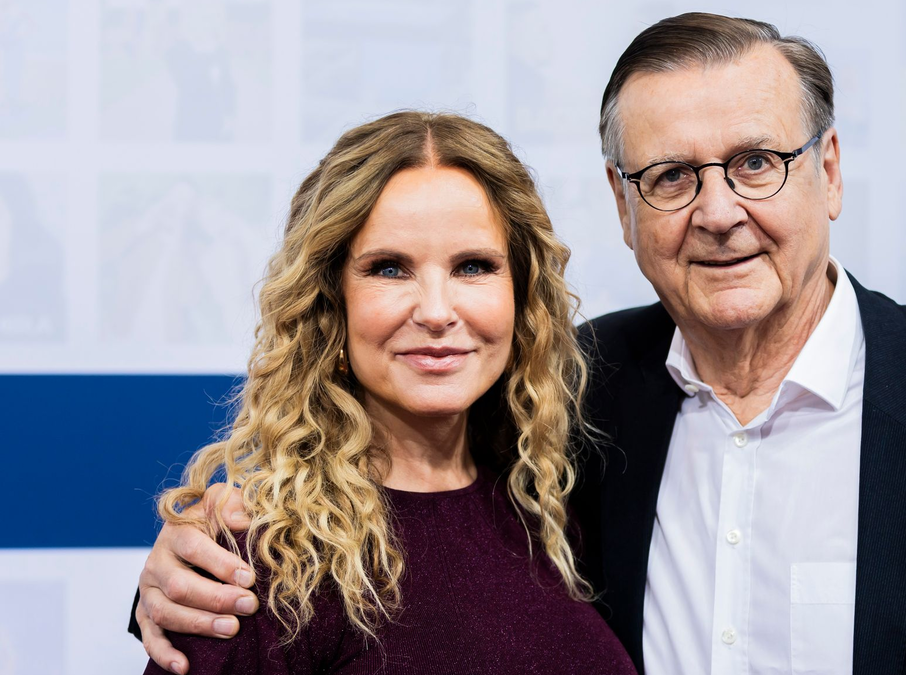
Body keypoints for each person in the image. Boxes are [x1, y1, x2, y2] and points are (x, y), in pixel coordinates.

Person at [133, 13, 906, 675]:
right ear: (621, 208)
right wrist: (179, 590)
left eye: (757, 162)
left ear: (832, 172)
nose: (718, 211)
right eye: (671, 177)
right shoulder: (572, 400)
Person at [138, 110, 637, 674]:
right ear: (331, 304)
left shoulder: (546, 515)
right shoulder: (265, 561)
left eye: (473, 266)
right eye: (389, 269)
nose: (436, 311)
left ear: (522, 298)